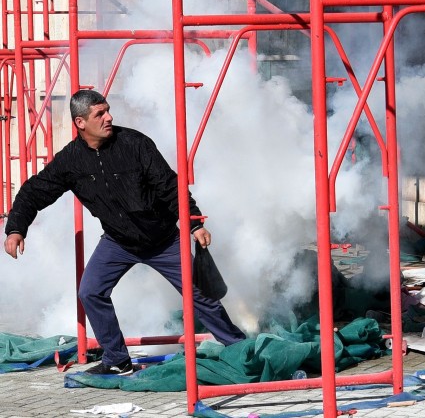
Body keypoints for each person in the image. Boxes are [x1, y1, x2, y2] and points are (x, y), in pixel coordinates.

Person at [3, 89, 245, 376]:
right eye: (100, 114)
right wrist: (16, 228)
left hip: (162, 239)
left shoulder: (135, 143)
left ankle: (240, 349)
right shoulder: (71, 160)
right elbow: (34, 191)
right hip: (118, 242)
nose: (109, 117)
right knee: (90, 291)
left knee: (201, 296)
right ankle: (117, 360)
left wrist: (194, 223)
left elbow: (169, 186)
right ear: (81, 123)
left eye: (108, 110)